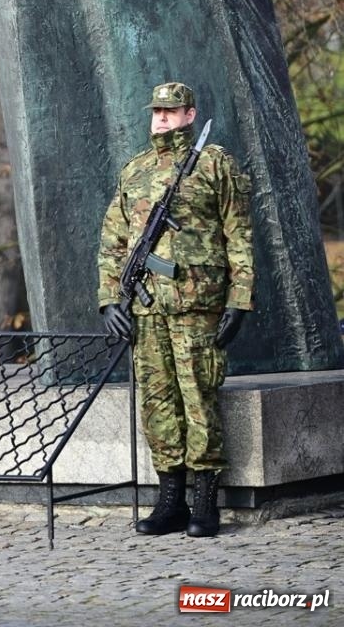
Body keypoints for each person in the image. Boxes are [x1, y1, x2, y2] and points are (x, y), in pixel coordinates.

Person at [97, 82, 254, 539]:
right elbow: (113, 240)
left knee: (199, 400)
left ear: (190, 114)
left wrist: (239, 300)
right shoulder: (135, 171)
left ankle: (205, 505)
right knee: (157, 405)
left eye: (172, 110)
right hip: (147, 310)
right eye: (157, 111)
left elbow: (239, 236)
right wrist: (110, 298)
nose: (162, 118)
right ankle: (171, 503)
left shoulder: (214, 164)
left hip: (197, 306)